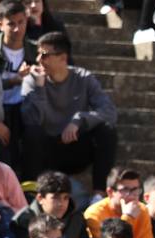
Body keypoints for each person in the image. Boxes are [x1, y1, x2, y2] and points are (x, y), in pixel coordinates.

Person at [18, 30, 117, 186]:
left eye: (44, 55)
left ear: (63, 57)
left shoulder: (83, 78)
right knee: (32, 132)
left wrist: (79, 120)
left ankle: (99, 192)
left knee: (106, 130)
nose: (38, 60)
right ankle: (30, 190)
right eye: (38, 54)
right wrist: (40, 87)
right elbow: (31, 120)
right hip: (45, 149)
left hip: (74, 147)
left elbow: (109, 111)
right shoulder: (33, 79)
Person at [82, 169, 154, 238]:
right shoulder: (94, 214)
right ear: (110, 192)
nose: (132, 196)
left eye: (135, 190)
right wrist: (128, 217)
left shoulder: (142, 210)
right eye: (125, 190)